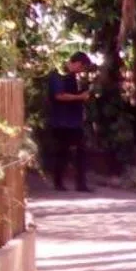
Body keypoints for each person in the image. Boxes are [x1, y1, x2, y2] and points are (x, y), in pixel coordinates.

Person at [45, 52, 94, 192]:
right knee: (63, 151)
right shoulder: (58, 74)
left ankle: (81, 184)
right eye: (82, 67)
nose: (81, 71)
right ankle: (58, 182)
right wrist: (79, 97)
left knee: (81, 151)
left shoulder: (73, 77)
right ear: (78, 63)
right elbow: (59, 96)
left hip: (74, 121)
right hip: (61, 121)